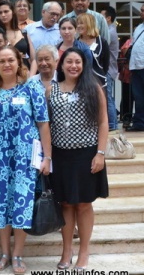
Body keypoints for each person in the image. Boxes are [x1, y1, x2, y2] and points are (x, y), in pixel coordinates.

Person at [0, 45, 52, 275]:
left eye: (10, 60)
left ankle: (18, 254)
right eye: (1, 61)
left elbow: (43, 123)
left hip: (25, 159)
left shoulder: (31, 87)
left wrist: (47, 157)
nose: (6, 65)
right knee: (1, 205)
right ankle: (4, 253)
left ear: (18, 62)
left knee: (22, 204)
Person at [47, 47, 109, 271]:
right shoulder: (51, 90)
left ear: (84, 66)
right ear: (61, 65)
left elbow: (103, 122)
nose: (73, 66)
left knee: (83, 204)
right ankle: (66, 251)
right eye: (69, 62)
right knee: (65, 203)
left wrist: (100, 153)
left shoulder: (93, 88)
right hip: (60, 155)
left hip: (87, 154)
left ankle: (84, 252)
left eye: (78, 62)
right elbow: (46, 125)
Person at [0, 0, 35, 71]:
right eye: (0, 13)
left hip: (24, 72)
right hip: (4, 72)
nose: (3, 15)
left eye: (6, 11)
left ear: (13, 12)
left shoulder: (24, 33)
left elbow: (33, 59)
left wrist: (31, 75)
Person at [24, 1, 63, 68]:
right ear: (43, 12)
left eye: (57, 15)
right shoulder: (29, 29)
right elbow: (24, 50)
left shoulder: (61, 30)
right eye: (52, 14)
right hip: (32, 68)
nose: (55, 17)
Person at [77, 13, 110, 88]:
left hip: (98, 82)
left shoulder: (102, 42)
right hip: (80, 83)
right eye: (77, 23)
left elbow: (106, 64)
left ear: (90, 24)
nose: (78, 26)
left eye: (81, 23)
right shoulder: (76, 43)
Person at [102, 6, 120, 131]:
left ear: (108, 18)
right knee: (108, 97)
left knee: (107, 98)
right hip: (109, 69)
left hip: (108, 70)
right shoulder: (109, 30)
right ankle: (112, 124)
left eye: (101, 17)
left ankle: (112, 125)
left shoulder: (109, 32)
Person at [128, 4, 144, 131]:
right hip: (136, 66)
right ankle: (139, 123)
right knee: (138, 97)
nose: (142, 13)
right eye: (142, 10)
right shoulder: (139, 27)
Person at [119, 37, 134, 128]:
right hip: (127, 74)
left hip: (133, 73)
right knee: (127, 98)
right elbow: (123, 51)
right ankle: (126, 119)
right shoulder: (130, 42)